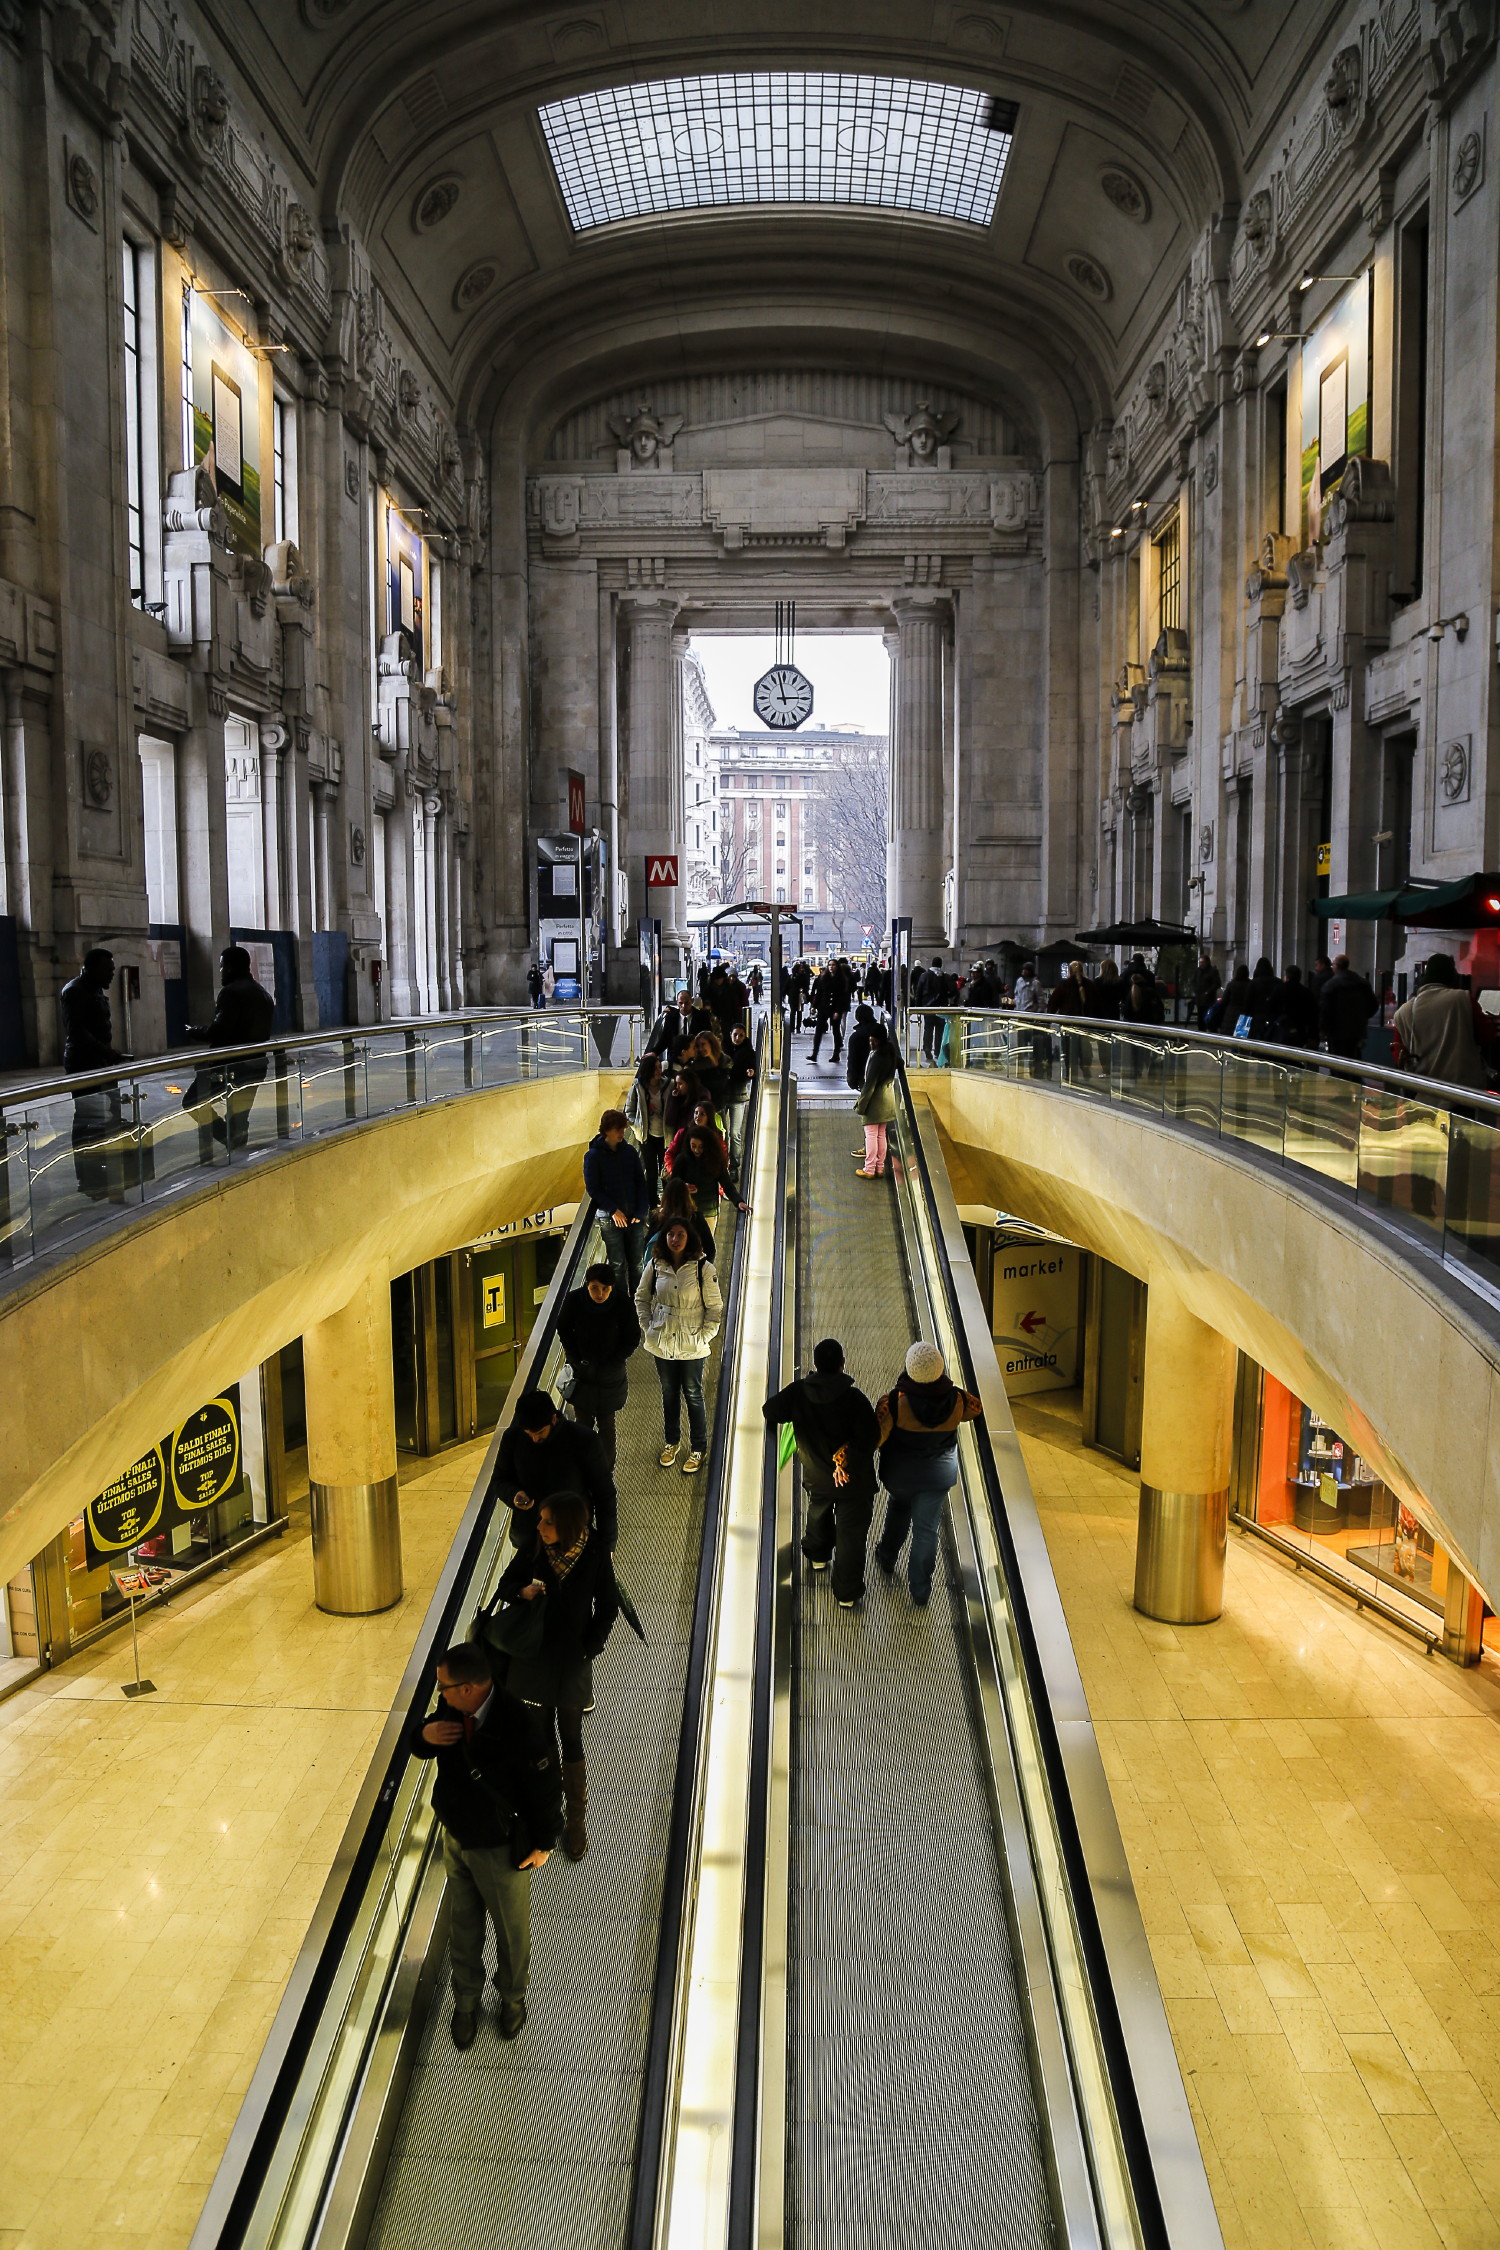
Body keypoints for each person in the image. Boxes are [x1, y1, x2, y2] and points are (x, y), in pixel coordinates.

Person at [409, 1641, 559, 2045]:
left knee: (511, 1931)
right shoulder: (452, 1708)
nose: (438, 1694)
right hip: (456, 1836)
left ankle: (512, 1998)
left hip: (499, 1846)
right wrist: (425, 1734)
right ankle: (466, 2000)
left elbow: (547, 1788)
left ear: (469, 1688)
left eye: (443, 1688)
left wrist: (545, 1842)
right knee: (464, 1923)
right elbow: (420, 1740)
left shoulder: (520, 1724)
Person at [486, 1491, 619, 1861]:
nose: (540, 1526)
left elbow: (608, 1607)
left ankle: (577, 1821)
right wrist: (522, 1591)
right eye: (541, 1520)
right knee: (540, 1738)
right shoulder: (535, 1546)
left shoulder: (592, 1553)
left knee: (572, 1738)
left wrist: (589, 1648)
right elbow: (505, 1585)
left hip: (572, 1659)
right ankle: (549, 1817)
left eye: (548, 1521)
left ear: (568, 1525)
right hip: (534, 1656)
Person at [764, 1338, 881, 1606]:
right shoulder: (854, 1398)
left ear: (815, 1364)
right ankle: (846, 1594)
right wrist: (847, 1460)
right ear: (842, 1364)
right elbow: (871, 1436)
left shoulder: (798, 1392)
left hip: (817, 1475)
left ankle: (818, 1556)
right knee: (851, 1536)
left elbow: (770, 1411)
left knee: (818, 1512)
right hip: (854, 1481)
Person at [872, 1342, 983, 1606]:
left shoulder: (895, 1403)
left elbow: (877, 1439)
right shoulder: (957, 1399)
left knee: (899, 1509)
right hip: (938, 1475)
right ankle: (920, 1590)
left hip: (900, 1475)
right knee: (926, 1530)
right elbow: (975, 1409)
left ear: (910, 1369)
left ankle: (887, 1557)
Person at [635, 1219, 723, 1474]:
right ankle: (671, 1442)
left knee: (693, 1393)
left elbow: (715, 1307)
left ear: (689, 1237)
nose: (675, 1239)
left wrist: (705, 1336)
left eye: (680, 1234)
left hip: (692, 1342)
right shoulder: (655, 1264)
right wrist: (647, 1326)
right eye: (671, 1234)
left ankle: (698, 1447)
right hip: (662, 1340)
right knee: (669, 1392)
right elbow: (641, 1296)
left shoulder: (703, 1269)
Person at [494, 1388, 617, 1549]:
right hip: (530, 1537)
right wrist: (514, 1495)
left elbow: (604, 1493)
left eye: (539, 1432)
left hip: (572, 1535)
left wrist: (607, 1544)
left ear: (553, 1419)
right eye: (528, 1433)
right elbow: (500, 1479)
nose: (534, 1438)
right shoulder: (513, 1438)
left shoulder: (583, 1440)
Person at [184, 945, 277, 1149]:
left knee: (192, 1101)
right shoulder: (263, 994)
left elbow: (218, 1031)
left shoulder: (231, 993)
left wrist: (193, 1031)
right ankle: (236, 1144)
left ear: (231, 968)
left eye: (222, 967)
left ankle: (226, 1137)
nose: (220, 972)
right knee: (240, 1114)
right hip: (256, 1064)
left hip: (229, 1066)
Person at [60, 947, 132, 1201]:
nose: (112, 975)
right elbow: (77, 1032)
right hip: (83, 1064)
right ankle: (88, 1177)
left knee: (111, 1115)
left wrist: (108, 1055)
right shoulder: (74, 992)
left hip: (101, 1062)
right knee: (87, 1117)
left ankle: (109, 1172)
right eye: (108, 970)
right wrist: (107, 1052)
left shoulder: (97, 990)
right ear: (91, 968)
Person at [557, 1262, 640, 1472]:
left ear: (612, 1287)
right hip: (581, 1373)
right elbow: (564, 1329)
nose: (600, 1293)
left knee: (606, 1424)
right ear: (587, 1285)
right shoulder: (574, 1300)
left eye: (605, 1288)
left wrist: (615, 1360)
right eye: (595, 1288)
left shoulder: (622, 1303)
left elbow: (632, 1336)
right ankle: (583, 1468)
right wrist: (575, 1358)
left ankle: (605, 1470)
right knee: (582, 1423)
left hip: (610, 1376)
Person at [1394, 953, 1491, 1090]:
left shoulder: (1402, 1012)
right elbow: (1487, 1035)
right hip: (1464, 1090)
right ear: (1452, 975)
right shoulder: (1462, 999)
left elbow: (1398, 1053)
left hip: (1424, 1090)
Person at [582, 1108, 650, 1294]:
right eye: (618, 1129)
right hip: (610, 1218)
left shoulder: (629, 1152)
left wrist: (641, 1211)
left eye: (623, 1129)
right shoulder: (593, 1156)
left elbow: (640, 1182)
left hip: (633, 1216)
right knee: (617, 1264)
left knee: (636, 1263)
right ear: (607, 1130)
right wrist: (613, 1210)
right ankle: (622, 1302)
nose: (622, 1133)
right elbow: (593, 1188)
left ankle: (637, 1302)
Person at [854, 1020, 899, 1178]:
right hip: (888, 1100)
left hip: (875, 1102)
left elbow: (869, 1085)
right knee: (881, 1134)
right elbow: (900, 1063)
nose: (871, 1043)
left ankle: (869, 1169)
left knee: (871, 1135)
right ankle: (879, 1168)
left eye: (873, 1040)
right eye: (870, 1040)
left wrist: (861, 1105)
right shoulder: (891, 1052)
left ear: (879, 1040)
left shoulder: (878, 1058)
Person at [1318, 953, 1378, 1059]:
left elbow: (1325, 1010)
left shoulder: (1331, 985)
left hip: (1336, 1031)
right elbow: (1373, 1005)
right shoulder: (1362, 983)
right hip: (1357, 1030)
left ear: (1336, 966)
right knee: (1354, 1059)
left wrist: (1323, 1029)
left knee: (1338, 1061)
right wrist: (1362, 1017)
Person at [626, 1050, 668, 1195]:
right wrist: (637, 1125)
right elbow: (629, 1110)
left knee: (666, 1172)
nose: (659, 1070)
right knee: (651, 1174)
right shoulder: (638, 1087)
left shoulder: (668, 1085)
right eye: (655, 1067)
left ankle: (666, 1205)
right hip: (646, 1137)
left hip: (665, 1137)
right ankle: (652, 1205)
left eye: (659, 1067)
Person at [723, 1022, 757, 1190]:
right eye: (735, 1035)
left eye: (740, 1035)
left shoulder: (749, 1052)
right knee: (722, 1131)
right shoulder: (723, 1048)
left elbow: (751, 1070)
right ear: (730, 1034)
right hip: (722, 1096)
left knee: (734, 1133)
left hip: (738, 1096)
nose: (737, 1038)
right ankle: (723, 1161)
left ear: (745, 1036)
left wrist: (750, 1074)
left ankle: (734, 1165)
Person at [1277, 963, 1318, 1047]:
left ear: (1287, 976)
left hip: (1282, 1028)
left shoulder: (1280, 989)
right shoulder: (1306, 992)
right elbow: (1313, 1014)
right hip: (1300, 1029)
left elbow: (1271, 1007)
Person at [917, 955, 948, 1062]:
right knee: (940, 1030)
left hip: (927, 1007)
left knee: (928, 1029)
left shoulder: (924, 976)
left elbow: (919, 992)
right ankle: (938, 1051)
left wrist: (917, 1008)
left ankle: (927, 1048)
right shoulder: (944, 976)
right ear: (941, 964)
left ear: (932, 964)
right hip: (941, 1008)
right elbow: (952, 991)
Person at [844, 1001, 876, 1095]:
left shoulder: (856, 1037)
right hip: (882, 1076)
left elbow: (853, 1060)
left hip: (864, 1077)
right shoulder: (882, 1032)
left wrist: (852, 1080)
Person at [1191, 954, 1221, 1027]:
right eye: (1200, 962)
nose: (1201, 964)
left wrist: (1208, 992)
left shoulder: (1213, 971)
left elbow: (1217, 983)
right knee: (1200, 1018)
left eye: (1203, 962)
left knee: (1209, 1017)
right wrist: (1195, 990)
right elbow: (1193, 981)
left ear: (1207, 962)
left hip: (1209, 1000)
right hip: (1199, 999)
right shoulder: (1197, 971)